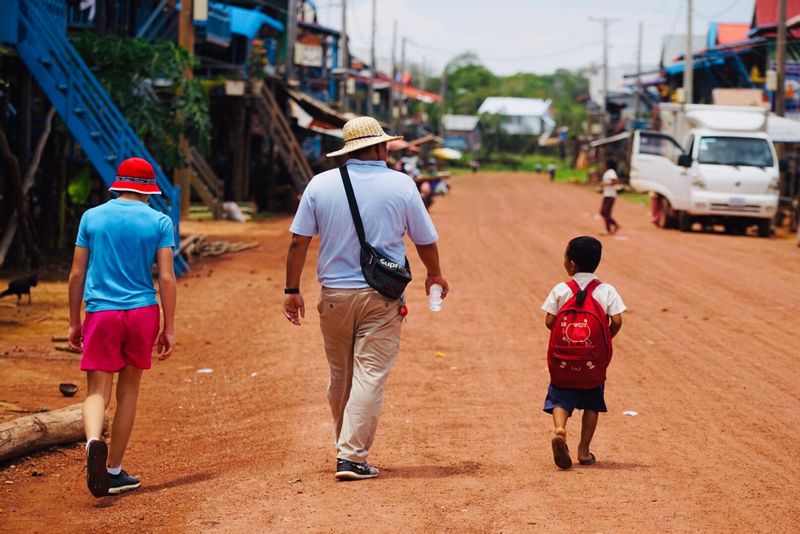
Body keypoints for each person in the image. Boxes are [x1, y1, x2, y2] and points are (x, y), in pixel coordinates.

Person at [283, 116, 448, 481]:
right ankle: (351, 456)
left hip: (334, 296)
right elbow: (424, 239)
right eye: (386, 144)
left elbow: (298, 241)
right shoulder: (402, 185)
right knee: (370, 374)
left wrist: (292, 290)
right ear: (377, 147)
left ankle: (345, 447)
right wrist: (434, 274)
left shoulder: (320, 184)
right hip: (381, 296)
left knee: (340, 376)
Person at [67, 157, 177, 497]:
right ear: (148, 191)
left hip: (102, 312)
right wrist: (169, 327)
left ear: (118, 185)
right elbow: (168, 278)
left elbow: (76, 274)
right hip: (142, 311)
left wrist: (74, 320)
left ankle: (93, 442)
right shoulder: (159, 221)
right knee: (128, 390)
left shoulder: (92, 217)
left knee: (97, 389)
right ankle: (112, 470)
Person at [541, 236, 625, 469]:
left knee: (559, 396)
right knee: (592, 403)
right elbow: (617, 320)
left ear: (572, 264)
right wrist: (604, 338)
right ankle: (584, 450)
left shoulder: (561, 289)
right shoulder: (606, 290)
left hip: (564, 361)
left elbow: (549, 321)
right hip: (592, 362)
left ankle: (559, 429)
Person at [600, 159, 620, 234]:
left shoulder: (611, 172)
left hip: (610, 195)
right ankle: (613, 226)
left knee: (605, 212)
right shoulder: (608, 172)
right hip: (607, 194)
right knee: (604, 212)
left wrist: (605, 184)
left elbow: (615, 181)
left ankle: (609, 229)